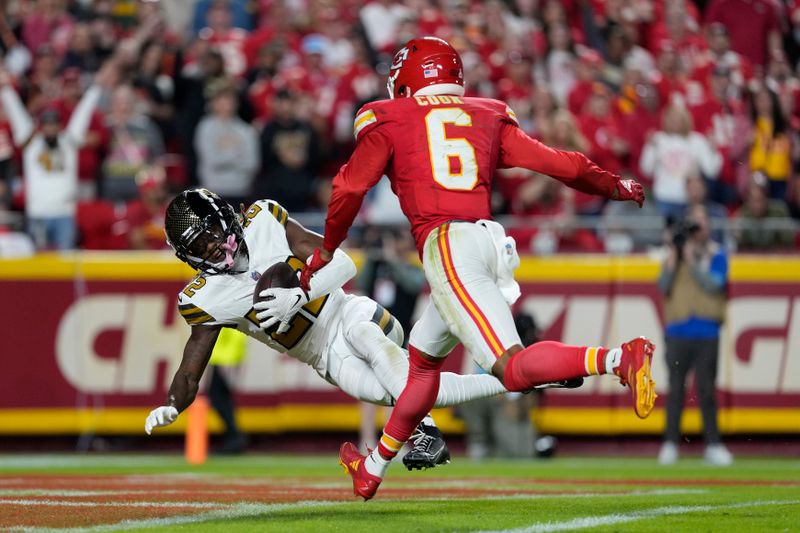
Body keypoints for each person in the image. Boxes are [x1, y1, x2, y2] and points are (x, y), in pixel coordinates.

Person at [298, 37, 656, 500]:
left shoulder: (388, 118)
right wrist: (614, 186)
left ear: (408, 76)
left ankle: (617, 358)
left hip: (448, 245)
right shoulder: (485, 115)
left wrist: (326, 250)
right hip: (487, 240)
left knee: (509, 367)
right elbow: (559, 164)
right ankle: (371, 469)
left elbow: (349, 188)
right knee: (421, 365)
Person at [144, 188, 511, 470]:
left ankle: (425, 432)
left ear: (225, 218)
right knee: (388, 394)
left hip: (346, 311)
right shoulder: (204, 297)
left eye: (209, 233)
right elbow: (192, 368)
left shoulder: (264, 220)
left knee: (366, 340)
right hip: (323, 355)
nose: (209, 246)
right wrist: (173, 405)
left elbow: (345, 264)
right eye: (198, 245)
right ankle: (510, 379)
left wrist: (302, 294)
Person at [0, 60, 112, 250]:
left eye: (54, 125)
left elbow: (82, 115)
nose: (50, 129)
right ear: (41, 127)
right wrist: (5, 90)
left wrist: (96, 89)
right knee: (37, 269)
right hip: (38, 213)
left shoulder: (68, 142)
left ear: (59, 126)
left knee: (65, 267)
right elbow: (18, 116)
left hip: (64, 213)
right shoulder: (31, 144)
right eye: (47, 125)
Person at [657, 204, 733, 466]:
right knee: (676, 391)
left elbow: (714, 285)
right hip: (678, 330)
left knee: (706, 391)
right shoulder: (675, 255)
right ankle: (670, 443)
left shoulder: (716, 254)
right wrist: (672, 254)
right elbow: (663, 285)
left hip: (706, 330)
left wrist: (690, 260)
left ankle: (713, 445)